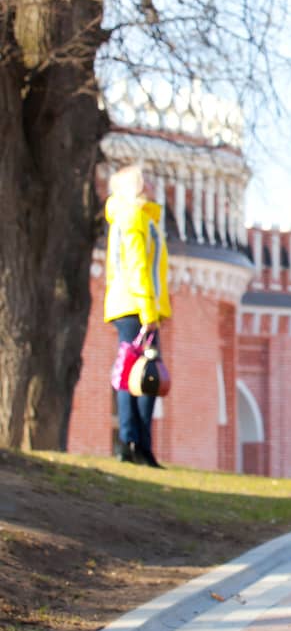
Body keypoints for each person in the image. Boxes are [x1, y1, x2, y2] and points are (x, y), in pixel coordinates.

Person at [104, 163, 170, 468]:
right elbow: (136, 269)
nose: (154, 185)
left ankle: (141, 445)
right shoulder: (131, 216)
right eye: (148, 181)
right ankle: (131, 443)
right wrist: (147, 312)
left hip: (142, 308)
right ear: (137, 186)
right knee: (135, 376)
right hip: (134, 309)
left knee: (146, 378)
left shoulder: (144, 218)